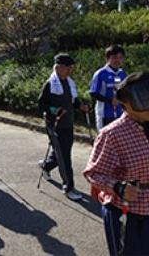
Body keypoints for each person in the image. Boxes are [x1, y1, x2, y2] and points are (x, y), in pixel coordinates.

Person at [83, 71, 149, 256]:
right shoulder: (113, 134)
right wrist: (118, 187)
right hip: (128, 212)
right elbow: (93, 173)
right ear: (126, 104)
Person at [37, 53, 89, 201]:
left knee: (62, 151)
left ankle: (46, 166)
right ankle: (68, 187)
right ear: (58, 67)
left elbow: (73, 100)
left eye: (70, 67)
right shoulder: (50, 84)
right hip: (55, 125)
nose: (69, 70)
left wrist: (81, 106)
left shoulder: (68, 82)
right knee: (65, 157)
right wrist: (54, 110)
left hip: (68, 123)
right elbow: (41, 105)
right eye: (67, 67)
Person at [89, 44, 126, 132]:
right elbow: (93, 93)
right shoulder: (100, 73)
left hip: (120, 113)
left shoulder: (122, 74)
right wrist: (109, 101)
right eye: (114, 57)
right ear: (107, 58)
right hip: (104, 114)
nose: (117, 60)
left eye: (120, 57)